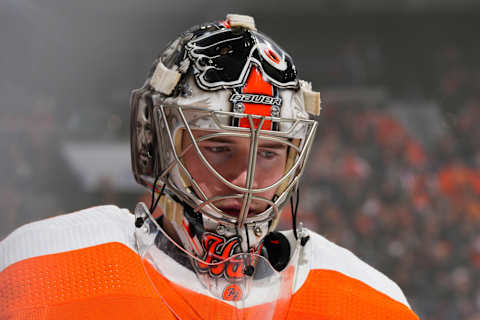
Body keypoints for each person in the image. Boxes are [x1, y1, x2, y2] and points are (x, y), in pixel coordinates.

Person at [0, 14, 419, 320]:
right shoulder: (47, 270)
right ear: (160, 144)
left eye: (270, 152)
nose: (246, 179)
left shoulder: (370, 302)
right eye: (219, 148)